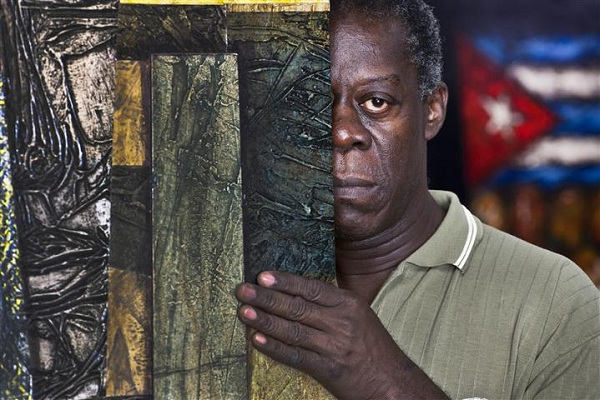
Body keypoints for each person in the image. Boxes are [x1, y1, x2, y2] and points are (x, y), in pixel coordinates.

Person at [235, 0, 600, 398]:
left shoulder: (555, 300)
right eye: (310, 100)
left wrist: (383, 379)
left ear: (432, 110)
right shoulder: (227, 272)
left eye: (377, 102)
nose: (341, 132)